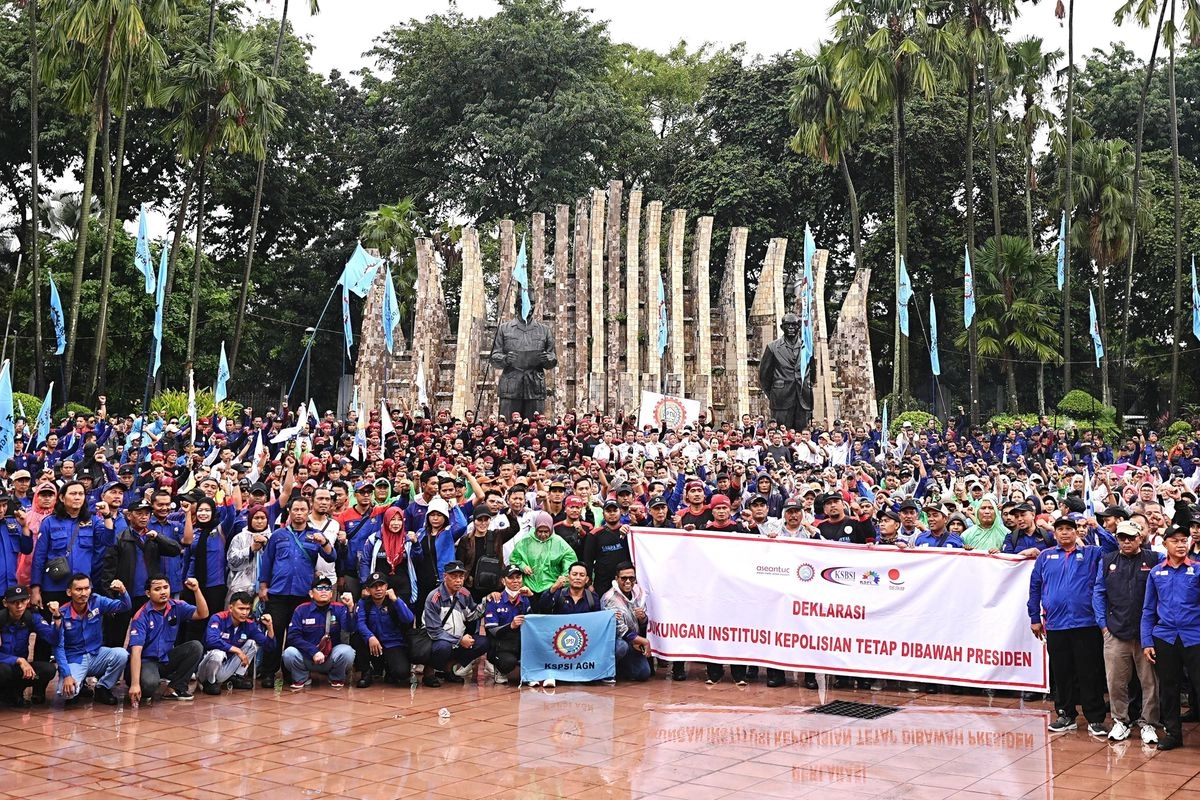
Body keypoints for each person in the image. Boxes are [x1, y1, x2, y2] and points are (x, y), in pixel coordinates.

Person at [1028, 517, 1107, 736]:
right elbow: (1035, 587)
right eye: (1060, 529)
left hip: (1086, 623)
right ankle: (1066, 714)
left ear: (1076, 532)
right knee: (1061, 672)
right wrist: (1035, 617)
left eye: (1069, 529)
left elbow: (1113, 547)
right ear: (1054, 534)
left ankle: (1095, 718)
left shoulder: (1092, 553)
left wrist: (1097, 527)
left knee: (1089, 672)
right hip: (1055, 624)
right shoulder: (1045, 557)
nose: (1064, 533)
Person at [1093, 521, 1160, 744]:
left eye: (1131, 537)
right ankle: (1120, 721)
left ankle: (1148, 723)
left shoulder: (1154, 559)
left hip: (1146, 635)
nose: (1126, 542)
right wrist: (1103, 625)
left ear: (1140, 538)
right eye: (1122, 538)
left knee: (1149, 682)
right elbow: (1098, 593)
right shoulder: (1108, 561)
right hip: (1115, 632)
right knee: (1115, 681)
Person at [257, 497, 335, 688]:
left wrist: (324, 541)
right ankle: (268, 672)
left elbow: (331, 556)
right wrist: (262, 586)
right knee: (273, 633)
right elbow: (267, 561)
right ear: (290, 512)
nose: (299, 513)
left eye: (302, 510)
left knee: (295, 635)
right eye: (295, 510)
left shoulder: (315, 536)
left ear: (309, 512)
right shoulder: (278, 535)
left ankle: (291, 672)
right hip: (278, 593)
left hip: (302, 594)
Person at [1141, 525, 1200, 751]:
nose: (1181, 544)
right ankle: (1173, 733)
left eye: (1184, 540)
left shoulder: (1197, 569)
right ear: (1165, 544)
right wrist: (1147, 641)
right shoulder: (1156, 572)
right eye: (1175, 541)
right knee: (1168, 687)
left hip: (1195, 636)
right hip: (1165, 637)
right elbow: (1148, 610)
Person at [128, 574, 208, 704]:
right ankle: (144, 683)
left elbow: (203, 613)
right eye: (157, 589)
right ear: (148, 593)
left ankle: (176, 687)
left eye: (165, 587)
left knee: (195, 647)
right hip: (146, 661)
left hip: (166, 658)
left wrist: (196, 590)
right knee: (148, 687)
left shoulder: (177, 606)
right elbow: (136, 652)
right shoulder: (141, 616)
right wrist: (135, 684)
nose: (163, 592)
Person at [53, 574, 131, 706]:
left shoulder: (97, 601)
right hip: (74, 658)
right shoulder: (61, 613)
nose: (83, 593)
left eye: (86, 588)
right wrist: (66, 675)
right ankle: (80, 684)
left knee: (122, 654)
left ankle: (102, 688)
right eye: (78, 589)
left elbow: (124, 606)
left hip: (96, 654)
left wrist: (123, 591)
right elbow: (58, 647)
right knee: (68, 693)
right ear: (69, 592)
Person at [533, 561, 602, 688]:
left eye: (581, 575)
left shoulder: (593, 598)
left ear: (587, 579)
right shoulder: (558, 594)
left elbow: (598, 623)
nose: (577, 578)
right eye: (574, 574)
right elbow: (542, 608)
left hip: (583, 646)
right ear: (568, 577)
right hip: (558, 644)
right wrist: (553, 588)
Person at [282, 577, 356, 690]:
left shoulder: (339, 608)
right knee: (289, 653)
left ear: (331, 593)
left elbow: (350, 628)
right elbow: (293, 637)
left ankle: (336, 677)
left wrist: (350, 607)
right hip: (307, 657)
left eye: (327, 588)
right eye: (320, 588)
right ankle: (302, 678)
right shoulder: (301, 610)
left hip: (330, 657)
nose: (324, 591)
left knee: (347, 652)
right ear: (311, 593)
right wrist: (313, 652)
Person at [422, 560, 488, 687]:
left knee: (483, 643)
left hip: (457, 638)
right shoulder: (434, 597)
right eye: (454, 577)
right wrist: (459, 640)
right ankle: (429, 672)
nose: (458, 580)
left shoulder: (465, 594)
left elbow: (472, 615)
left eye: (461, 577)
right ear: (445, 577)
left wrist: (488, 600)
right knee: (443, 646)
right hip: (437, 640)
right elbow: (434, 632)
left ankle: (448, 668)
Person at [489, 298, 557, 419]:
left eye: (531, 304)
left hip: (535, 384)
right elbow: (494, 356)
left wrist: (546, 359)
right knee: (507, 425)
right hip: (511, 384)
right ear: (516, 307)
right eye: (524, 304)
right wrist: (505, 359)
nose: (528, 308)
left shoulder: (544, 330)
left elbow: (552, 357)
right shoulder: (504, 328)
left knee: (535, 427)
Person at [197, 591, 275, 695]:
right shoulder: (218, 618)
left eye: (247, 609)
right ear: (230, 608)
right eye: (241, 608)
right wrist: (237, 650)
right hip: (206, 669)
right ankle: (209, 683)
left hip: (225, 668)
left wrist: (270, 626)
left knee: (252, 643)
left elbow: (270, 647)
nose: (245, 613)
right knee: (218, 653)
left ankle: (236, 677)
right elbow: (211, 640)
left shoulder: (249, 624)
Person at [353, 572, 415, 688]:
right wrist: (370, 637)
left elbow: (408, 619)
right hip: (372, 642)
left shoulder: (394, 601)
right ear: (368, 589)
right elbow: (360, 623)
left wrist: (396, 600)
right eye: (374, 586)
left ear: (386, 587)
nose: (378, 589)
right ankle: (366, 672)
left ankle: (389, 670)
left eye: (381, 585)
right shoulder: (364, 603)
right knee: (357, 638)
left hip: (392, 643)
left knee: (402, 673)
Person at [0, 585, 56, 707]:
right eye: (14, 602)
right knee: (3, 671)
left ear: (28, 600)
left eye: (23, 601)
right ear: (5, 603)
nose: (19, 606)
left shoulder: (32, 618)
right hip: (4, 666)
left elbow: (53, 639)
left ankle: (17, 692)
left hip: (21, 669)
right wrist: (18, 660)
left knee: (48, 669)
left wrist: (56, 617)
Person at [757, 313, 813, 430]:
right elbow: (764, 376)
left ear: (799, 327)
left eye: (794, 325)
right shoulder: (773, 347)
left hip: (803, 398)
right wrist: (774, 393)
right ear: (782, 328)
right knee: (782, 433)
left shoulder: (807, 347)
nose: (791, 328)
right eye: (788, 325)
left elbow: (813, 372)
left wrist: (807, 385)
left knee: (802, 433)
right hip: (781, 398)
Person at [601, 562, 651, 683]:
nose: (628, 581)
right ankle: (606, 671)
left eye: (631, 578)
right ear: (616, 579)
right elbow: (620, 629)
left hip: (632, 641)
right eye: (624, 578)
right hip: (614, 641)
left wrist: (642, 618)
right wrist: (643, 640)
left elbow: (644, 623)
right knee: (621, 647)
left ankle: (621, 669)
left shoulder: (639, 593)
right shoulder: (610, 598)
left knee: (644, 673)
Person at [483, 565, 532, 685]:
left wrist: (532, 597)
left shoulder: (525, 598)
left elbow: (535, 622)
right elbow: (492, 630)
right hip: (501, 646)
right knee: (508, 662)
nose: (515, 581)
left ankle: (529, 672)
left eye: (518, 577)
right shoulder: (495, 600)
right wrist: (511, 626)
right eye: (511, 578)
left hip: (520, 643)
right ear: (503, 581)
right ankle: (498, 668)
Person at [509, 511, 576, 594]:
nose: (543, 535)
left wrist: (563, 579)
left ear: (551, 529)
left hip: (551, 586)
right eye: (540, 531)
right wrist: (523, 566)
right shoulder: (526, 541)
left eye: (546, 531)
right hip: (529, 586)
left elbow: (570, 559)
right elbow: (514, 558)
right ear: (535, 528)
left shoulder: (558, 542)